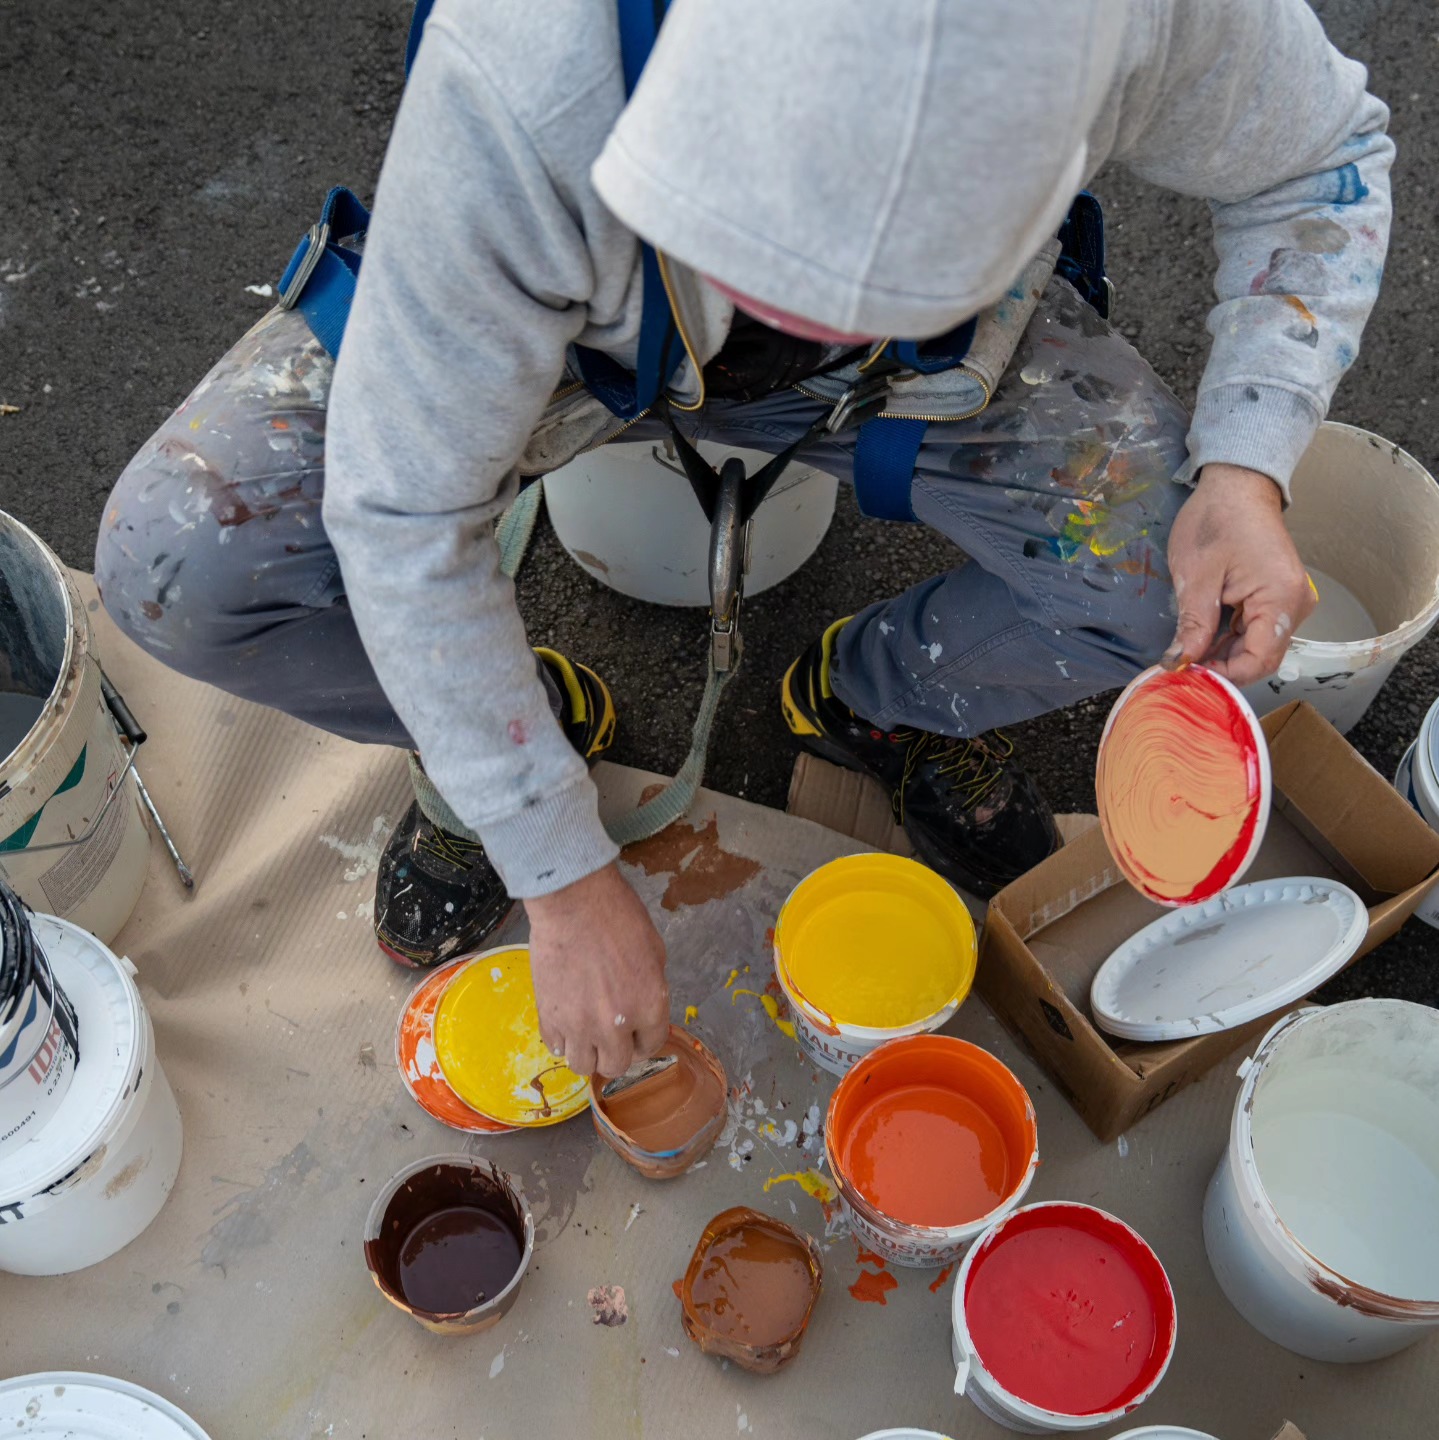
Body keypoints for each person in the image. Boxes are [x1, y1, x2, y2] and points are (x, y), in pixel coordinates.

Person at [95, 0, 1392, 1082]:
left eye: (857, 286)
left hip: (926, 368)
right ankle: (506, 725)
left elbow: (1324, 155)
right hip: (572, 337)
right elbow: (402, 509)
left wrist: (1246, 461)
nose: (801, 318)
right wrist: (554, 860)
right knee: (185, 560)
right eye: (773, 272)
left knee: (1158, 571)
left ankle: (885, 699)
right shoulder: (531, 66)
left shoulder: (1131, 16)